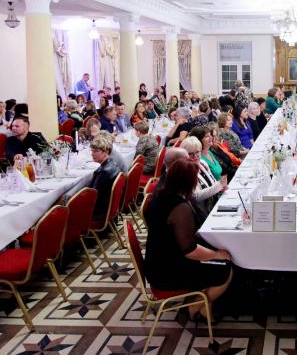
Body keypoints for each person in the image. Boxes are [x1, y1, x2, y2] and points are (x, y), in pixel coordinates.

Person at [144, 157, 233, 321]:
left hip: (158, 260)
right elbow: (189, 250)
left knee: (217, 257)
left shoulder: (163, 194)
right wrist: (216, 255)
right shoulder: (179, 207)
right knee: (226, 269)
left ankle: (204, 306)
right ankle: (195, 307)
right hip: (167, 271)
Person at [83, 136, 122, 220]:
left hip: (99, 212)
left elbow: (92, 196)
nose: (92, 154)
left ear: (106, 152)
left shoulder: (104, 172)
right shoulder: (113, 163)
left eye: (96, 151)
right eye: (92, 151)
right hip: (108, 208)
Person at [181, 137, 227, 205]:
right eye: (190, 154)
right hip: (205, 208)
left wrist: (220, 188)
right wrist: (218, 186)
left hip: (215, 202)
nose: (195, 156)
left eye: (197, 152)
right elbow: (196, 197)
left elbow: (213, 182)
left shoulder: (202, 163)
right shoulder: (186, 171)